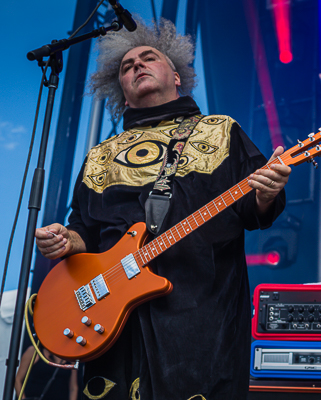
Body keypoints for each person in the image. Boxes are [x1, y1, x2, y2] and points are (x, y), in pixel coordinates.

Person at [34, 18, 290, 400]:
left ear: (177, 76)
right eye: (126, 66)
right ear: (121, 93)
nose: (137, 64)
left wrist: (267, 193)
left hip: (198, 314)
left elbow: (252, 210)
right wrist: (65, 239)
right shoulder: (100, 156)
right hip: (109, 320)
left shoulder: (220, 131)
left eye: (148, 58)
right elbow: (83, 228)